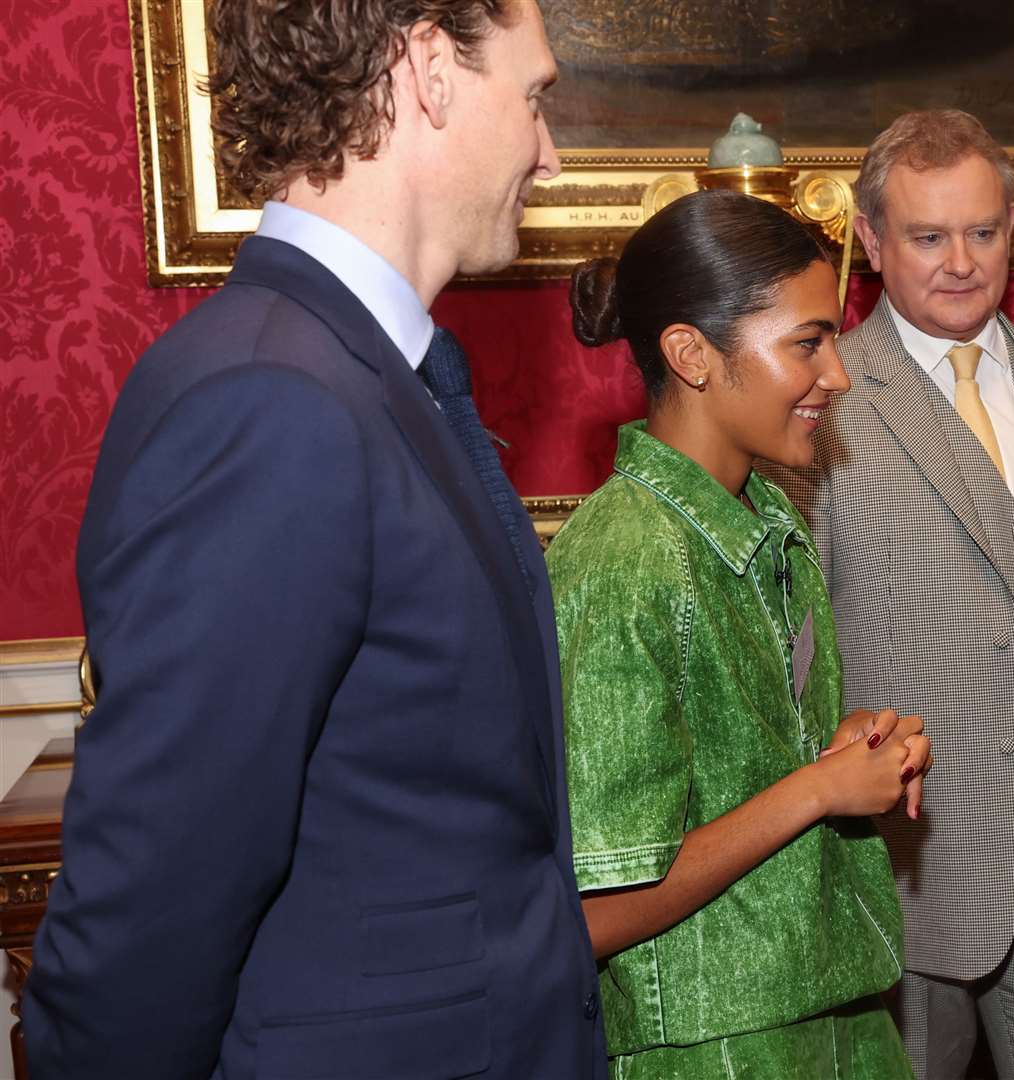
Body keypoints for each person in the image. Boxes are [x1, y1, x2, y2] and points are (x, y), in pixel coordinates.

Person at [23, 3, 607, 1077]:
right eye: (536, 99)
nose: (550, 153)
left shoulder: (355, 371)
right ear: (429, 67)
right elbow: (158, 898)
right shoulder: (275, 400)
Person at [765, 109, 1014, 1080]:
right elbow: (792, 641)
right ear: (874, 240)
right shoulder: (827, 398)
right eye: (930, 237)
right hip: (907, 870)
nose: (962, 261)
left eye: (984, 231)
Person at [549, 188, 931, 1078]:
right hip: (710, 1051)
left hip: (830, 1024)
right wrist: (818, 792)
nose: (837, 375)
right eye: (808, 341)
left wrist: (840, 756)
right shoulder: (625, 561)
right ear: (691, 354)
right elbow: (597, 910)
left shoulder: (764, 516)